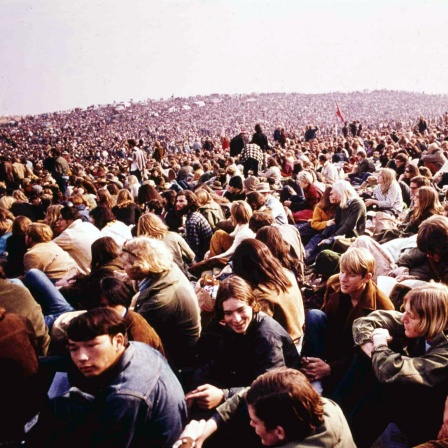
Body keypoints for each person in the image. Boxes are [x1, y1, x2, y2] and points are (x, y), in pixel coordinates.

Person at [27, 308, 187, 448]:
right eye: (73, 348)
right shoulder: (138, 347)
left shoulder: (126, 396)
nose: (81, 357)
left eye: (91, 346)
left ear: (118, 341)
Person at [340, 284, 448, 447]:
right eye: (404, 310)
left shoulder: (444, 354)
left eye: (410, 315)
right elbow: (364, 322)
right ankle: (336, 418)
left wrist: (379, 343)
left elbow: (391, 371)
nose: (403, 318)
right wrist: (375, 351)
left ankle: (346, 437)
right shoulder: (423, 325)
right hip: (407, 401)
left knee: (383, 386)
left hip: (426, 419)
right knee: (364, 363)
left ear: (430, 319)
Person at [186, 276, 300, 411]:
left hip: (278, 393)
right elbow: (221, 361)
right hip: (249, 376)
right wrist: (193, 387)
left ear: (252, 305)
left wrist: (224, 395)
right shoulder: (233, 327)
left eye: (241, 310)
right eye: (228, 313)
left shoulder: (267, 336)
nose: (236, 319)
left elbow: (271, 389)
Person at [178, 368, 355, 448]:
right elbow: (248, 395)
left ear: (279, 432)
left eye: (255, 422)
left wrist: (186, 443)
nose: (251, 424)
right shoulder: (322, 406)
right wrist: (208, 429)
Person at [301, 248, 394, 395]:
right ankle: (312, 374)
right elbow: (325, 322)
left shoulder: (382, 308)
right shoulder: (334, 284)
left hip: (354, 357)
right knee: (314, 315)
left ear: (366, 278)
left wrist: (330, 368)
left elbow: (369, 355)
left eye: (351, 275)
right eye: (342, 271)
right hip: (333, 345)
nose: (343, 279)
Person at [121, 237, 201, 368]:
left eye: (124, 265)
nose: (123, 268)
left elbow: (133, 328)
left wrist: (128, 307)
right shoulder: (166, 268)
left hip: (178, 356)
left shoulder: (160, 300)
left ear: (137, 268)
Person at [232, 239, 305, 344]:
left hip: (285, 348)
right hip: (298, 336)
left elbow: (252, 332)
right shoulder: (285, 273)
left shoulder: (262, 295)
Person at [305, 180, 366, 264]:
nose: (331, 195)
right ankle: (304, 257)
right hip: (338, 232)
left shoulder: (357, 204)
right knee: (317, 238)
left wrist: (330, 238)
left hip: (350, 236)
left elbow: (348, 227)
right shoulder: (341, 204)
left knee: (326, 243)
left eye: (333, 193)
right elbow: (335, 221)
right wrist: (325, 235)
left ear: (340, 192)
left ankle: (312, 261)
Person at [53, 206, 102, 275]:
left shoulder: (69, 234)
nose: (57, 222)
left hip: (86, 273)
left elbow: (48, 247)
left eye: (60, 219)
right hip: (99, 269)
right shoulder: (89, 225)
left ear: (70, 220)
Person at [175, 190, 213, 262]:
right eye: (177, 201)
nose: (177, 203)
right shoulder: (195, 214)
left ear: (190, 203)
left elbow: (193, 250)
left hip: (201, 258)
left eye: (181, 201)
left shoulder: (192, 222)